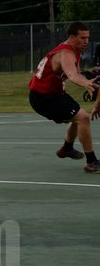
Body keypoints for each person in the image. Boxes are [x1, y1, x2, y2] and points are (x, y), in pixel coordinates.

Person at [29, 21, 100, 173]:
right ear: (72, 37)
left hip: (54, 94)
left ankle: (67, 149)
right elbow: (72, 75)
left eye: (88, 38)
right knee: (83, 118)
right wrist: (85, 83)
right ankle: (91, 162)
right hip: (44, 97)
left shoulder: (75, 50)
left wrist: (89, 77)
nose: (86, 41)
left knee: (77, 116)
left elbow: (77, 72)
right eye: (82, 38)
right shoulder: (65, 53)